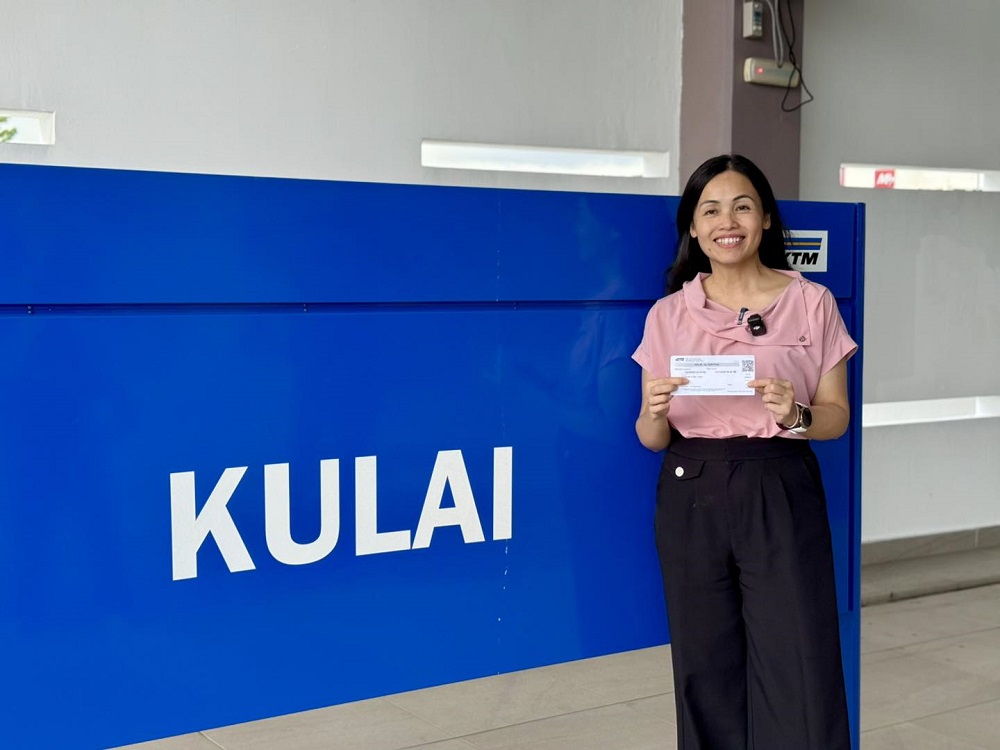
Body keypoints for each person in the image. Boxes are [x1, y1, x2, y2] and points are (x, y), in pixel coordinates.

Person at [632, 154, 856, 750]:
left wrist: (796, 413)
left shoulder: (813, 302)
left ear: (763, 221)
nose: (726, 221)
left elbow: (835, 418)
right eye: (710, 209)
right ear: (694, 228)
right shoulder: (668, 315)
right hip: (690, 489)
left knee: (799, 658)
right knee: (704, 664)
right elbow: (651, 437)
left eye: (741, 206)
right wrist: (653, 412)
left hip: (780, 485)